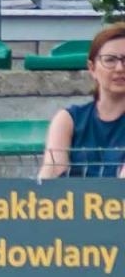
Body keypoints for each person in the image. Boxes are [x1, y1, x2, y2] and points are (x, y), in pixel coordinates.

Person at [39, 23, 125, 179]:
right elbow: (51, 177)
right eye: (110, 60)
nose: (119, 68)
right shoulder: (67, 120)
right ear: (92, 68)